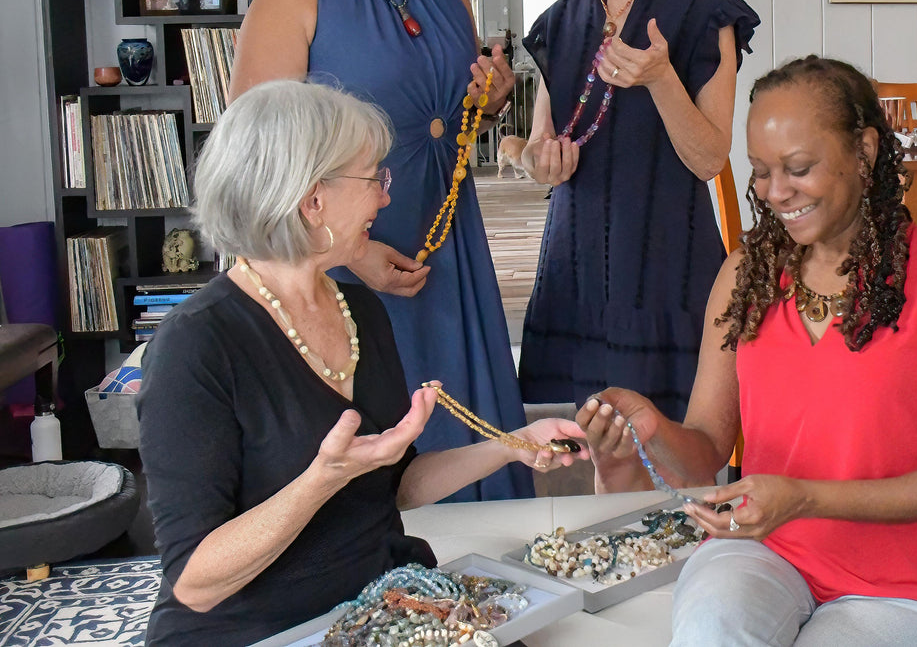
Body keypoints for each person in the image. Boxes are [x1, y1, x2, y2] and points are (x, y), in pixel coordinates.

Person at [138, 80, 588, 647]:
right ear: (311, 199)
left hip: (378, 605)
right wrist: (321, 480)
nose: (385, 198)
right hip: (256, 628)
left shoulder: (360, 311)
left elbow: (396, 485)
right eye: (374, 177)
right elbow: (195, 584)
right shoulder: (195, 346)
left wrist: (513, 442)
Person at [578, 57, 917, 647]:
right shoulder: (744, 276)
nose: (776, 193)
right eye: (759, 172)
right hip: (763, 549)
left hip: (903, 582)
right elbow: (704, 453)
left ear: (865, 152)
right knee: (710, 632)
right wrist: (651, 428)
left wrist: (804, 497)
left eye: (799, 169)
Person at [230, 0, 527, 500]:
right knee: (378, 461)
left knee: (470, 435)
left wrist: (489, 99)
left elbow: (446, 123)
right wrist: (352, 251)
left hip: (448, 253)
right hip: (345, 268)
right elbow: (255, 158)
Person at [518, 0, 760, 421]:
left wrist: (660, 79)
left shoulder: (706, 13)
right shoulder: (561, 19)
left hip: (665, 269)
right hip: (572, 269)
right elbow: (539, 149)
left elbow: (708, 159)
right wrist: (537, 162)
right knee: (572, 453)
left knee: (672, 458)